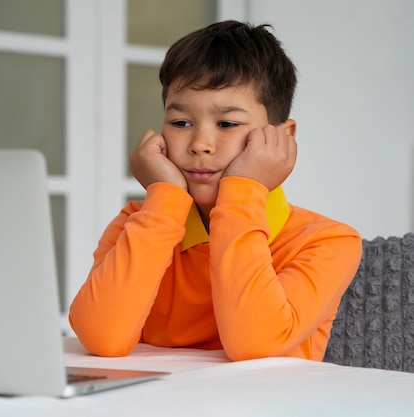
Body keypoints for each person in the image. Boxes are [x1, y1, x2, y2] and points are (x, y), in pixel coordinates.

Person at [68, 20, 362, 362]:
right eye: (181, 123)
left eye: (227, 124)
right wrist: (163, 199)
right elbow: (102, 337)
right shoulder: (140, 222)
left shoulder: (327, 241)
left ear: (282, 137)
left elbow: (255, 348)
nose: (200, 144)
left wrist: (244, 192)